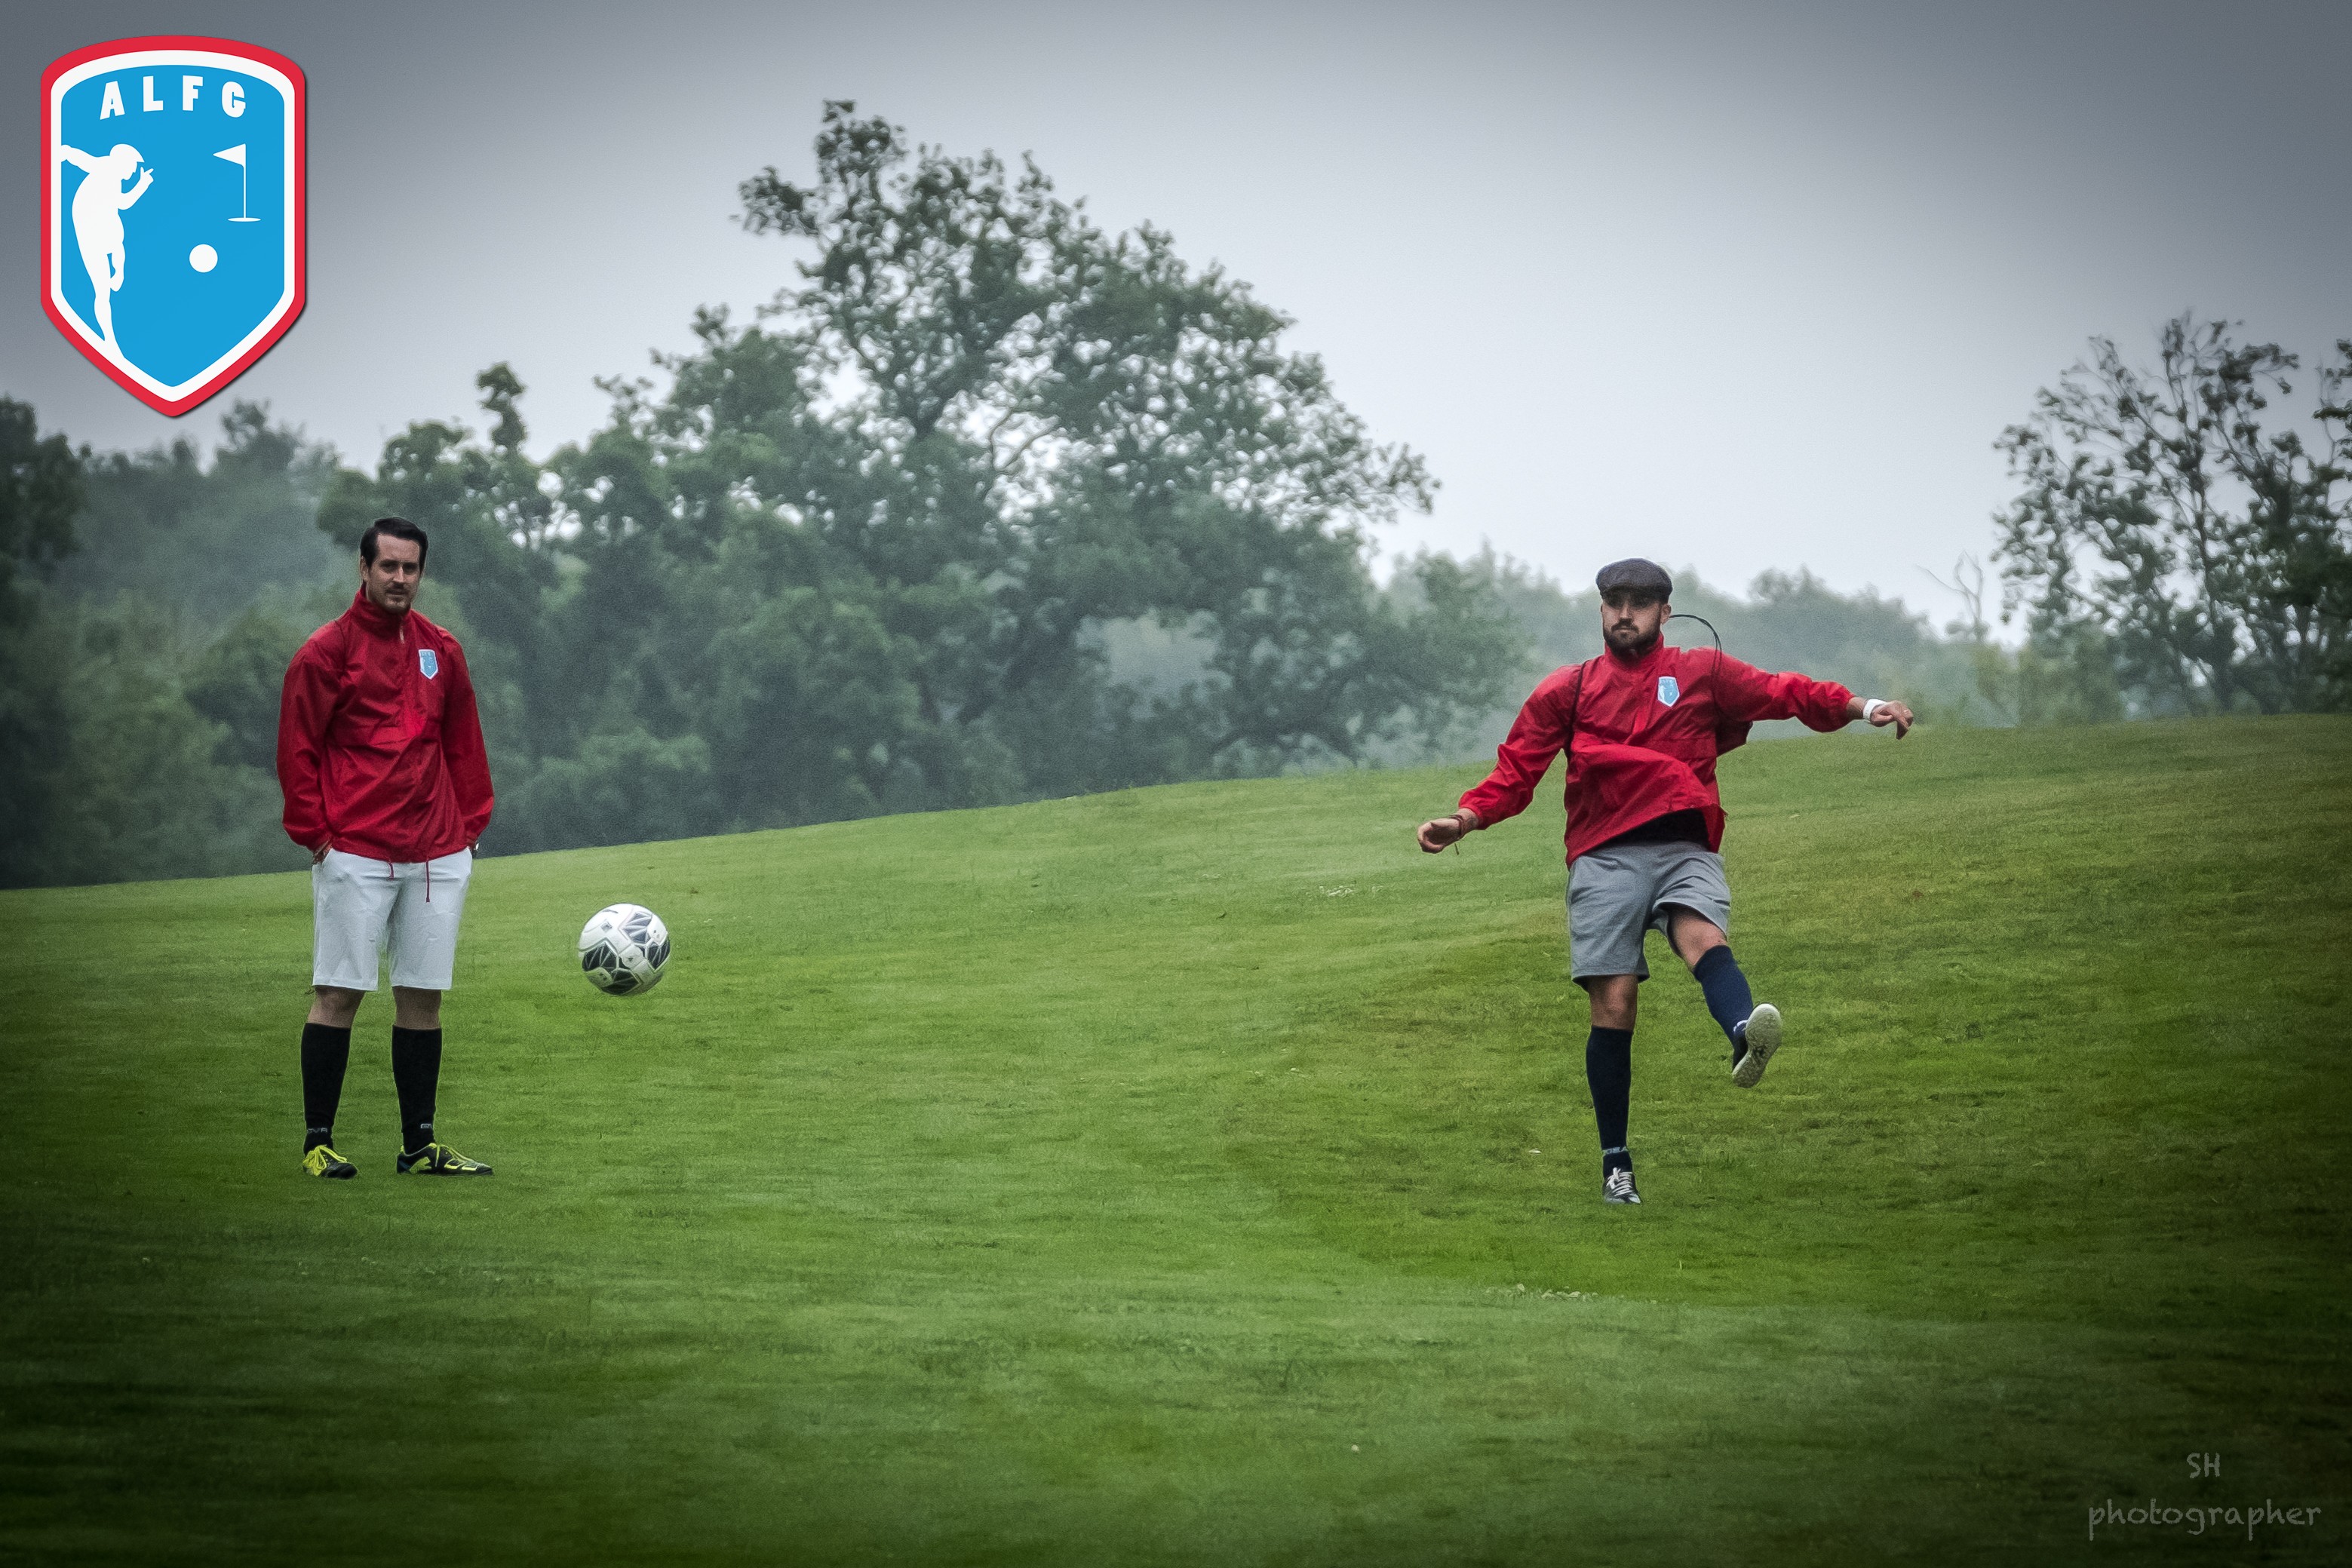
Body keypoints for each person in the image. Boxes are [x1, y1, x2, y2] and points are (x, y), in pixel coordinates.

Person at [1415, 558, 1913, 1205]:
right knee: (1615, 1003)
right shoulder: (1568, 690)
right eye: (1615, 602)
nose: (1625, 613)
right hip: (1603, 855)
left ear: (1665, 613)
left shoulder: (1700, 672)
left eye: (1640, 603)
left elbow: (1783, 692)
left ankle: (1744, 1033)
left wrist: (1864, 706)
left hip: (1684, 846)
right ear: (1601, 610)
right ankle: (1616, 1166)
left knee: (1703, 936)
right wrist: (1464, 819)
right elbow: (1516, 772)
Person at [278, 518, 496, 1178]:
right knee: (339, 991)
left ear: (421, 572)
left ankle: (419, 1146)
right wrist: (318, 835)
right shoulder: (325, 652)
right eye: (389, 566)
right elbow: (297, 749)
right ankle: (318, 1143)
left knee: (423, 996)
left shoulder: (442, 649)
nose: (400, 578)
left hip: (437, 852)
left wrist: (469, 826)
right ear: (364, 568)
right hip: (355, 849)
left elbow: (462, 741)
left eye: (411, 567)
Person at [59, 143, 153, 348]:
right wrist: (64, 152)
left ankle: (118, 274)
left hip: (102, 224)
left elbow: (120, 203)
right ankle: (110, 340)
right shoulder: (106, 167)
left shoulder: (115, 177)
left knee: (117, 240)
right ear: (122, 161)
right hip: (88, 229)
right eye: (133, 165)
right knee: (102, 291)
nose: (134, 170)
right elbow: (84, 160)